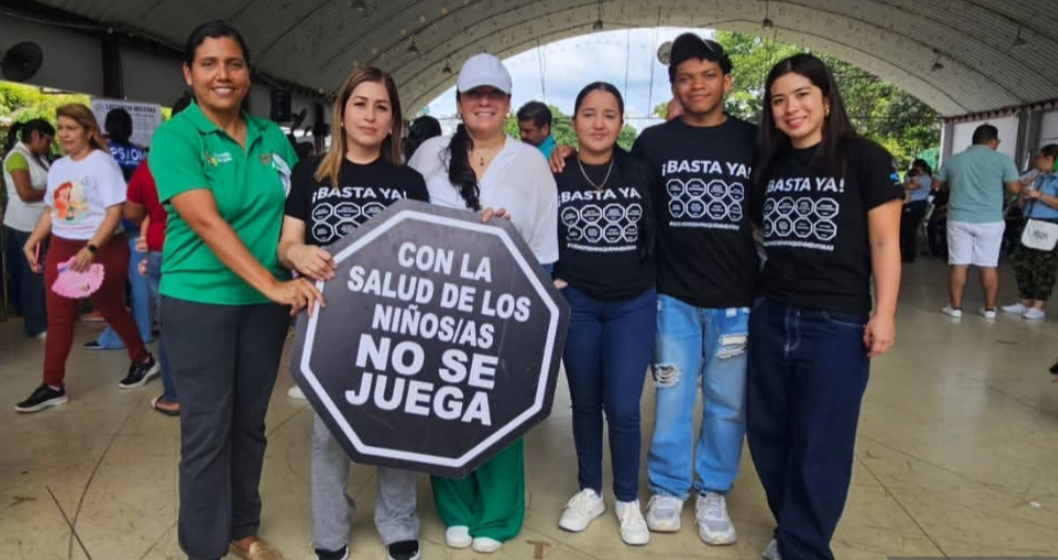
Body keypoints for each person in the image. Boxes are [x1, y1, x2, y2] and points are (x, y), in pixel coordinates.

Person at [551, 33, 759, 546]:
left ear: (726, 81)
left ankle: (710, 492)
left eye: (708, 75)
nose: (697, 85)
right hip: (670, 297)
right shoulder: (653, 147)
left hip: (728, 299)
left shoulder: (756, 140)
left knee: (724, 403)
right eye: (686, 77)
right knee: (667, 399)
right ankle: (662, 488)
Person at [148, 20, 320, 560]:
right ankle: (203, 545)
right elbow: (204, 221)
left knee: (250, 424)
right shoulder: (177, 137)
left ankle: (243, 529)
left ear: (248, 74)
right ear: (189, 74)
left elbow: (303, 212)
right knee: (207, 427)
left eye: (234, 64)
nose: (223, 75)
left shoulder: (273, 139)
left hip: (263, 310)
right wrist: (272, 283)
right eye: (209, 64)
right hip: (200, 302)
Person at [748, 53, 903, 560]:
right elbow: (757, 232)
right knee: (768, 434)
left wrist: (884, 314)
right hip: (772, 315)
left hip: (836, 323)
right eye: (779, 100)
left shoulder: (866, 159)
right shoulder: (769, 162)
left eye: (801, 95)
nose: (791, 108)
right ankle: (794, 529)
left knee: (822, 443)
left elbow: (885, 244)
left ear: (826, 99)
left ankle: (803, 548)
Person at [408, 53, 558, 555]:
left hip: (504, 305)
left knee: (499, 406)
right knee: (442, 404)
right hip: (436, 304)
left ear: (509, 104)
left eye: (494, 94)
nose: (485, 102)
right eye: (475, 94)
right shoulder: (429, 153)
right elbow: (405, 224)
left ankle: (497, 512)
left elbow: (543, 249)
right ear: (460, 102)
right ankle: (455, 506)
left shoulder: (531, 163)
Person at [279, 66, 429, 560]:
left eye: (381, 107)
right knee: (329, 433)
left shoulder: (409, 180)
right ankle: (330, 528)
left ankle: (398, 520)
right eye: (360, 103)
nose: (369, 115)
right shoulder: (311, 173)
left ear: (394, 122)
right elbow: (287, 245)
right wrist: (298, 258)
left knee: (397, 424)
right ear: (341, 113)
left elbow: (430, 255)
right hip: (328, 322)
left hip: (394, 324)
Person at [551, 82, 656, 545]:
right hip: (580, 304)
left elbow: (659, 232)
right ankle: (589, 490)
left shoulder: (639, 170)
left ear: (621, 122)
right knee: (585, 403)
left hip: (632, 303)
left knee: (625, 407)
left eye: (609, 114)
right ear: (573, 123)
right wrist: (550, 276)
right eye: (589, 114)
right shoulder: (557, 172)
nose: (599, 123)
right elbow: (538, 231)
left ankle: (628, 498)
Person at [14, 104, 159, 413]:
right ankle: (53, 385)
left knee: (111, 309)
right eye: (61, 128)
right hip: (63, 247)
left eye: (71, 128)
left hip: (102, 246)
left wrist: (91, 248)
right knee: (59, 316)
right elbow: (52, 210)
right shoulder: (58, 167)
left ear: (89, 131)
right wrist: (32, 241)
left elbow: (114, 212)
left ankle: (143, 359)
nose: (64, 135)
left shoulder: (102, 164)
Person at [127, 94, 194, 416]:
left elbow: (132, 208)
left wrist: (149, 226)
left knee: (170, 328)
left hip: (161, 252)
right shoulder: (222, 159)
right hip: (209, 255)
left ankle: (174, 395)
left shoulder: (153, 162)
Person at [932, 124, 1021, 319]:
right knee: (988, 265)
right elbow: (1015, 189)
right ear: (992, 141)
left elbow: (936, 184)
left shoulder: (954, 160)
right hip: (990, 220)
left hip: (959, 218)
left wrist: (953, 183)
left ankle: (955, 308)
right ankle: (990, 309)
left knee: (959, 264)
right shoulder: (1004, 160)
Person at [85, 108, 153, 349]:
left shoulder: (101, 153)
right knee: (140, 281)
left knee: (111, 284)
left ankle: (116, 335)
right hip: (137, 223)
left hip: (108, 227)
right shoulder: (139, 154)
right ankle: (144, 331)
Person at [3, 118, 54, 338]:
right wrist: (53, 191)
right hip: (25, 223)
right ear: (35, 136)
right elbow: (25, 193)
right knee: (33, 274)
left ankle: (44, 317)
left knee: (42, 272)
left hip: (42, 220)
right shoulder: (17, 157)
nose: (49, 146)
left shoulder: (38, 157)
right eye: (47, 141)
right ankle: (35, 325)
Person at [1002, 144, 1058, 320]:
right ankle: (1025, 300)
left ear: (1050, 159)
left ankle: (1039, 305)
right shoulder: (1041, 176)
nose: (1036, 160)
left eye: (1039, 157)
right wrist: (1024, 198)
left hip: (1050, 225)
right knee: (1023, 261)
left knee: (1044, 266)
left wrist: (1039, 196)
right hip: (1031, 222)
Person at [900, 158, 932, 262]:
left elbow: (909, 186)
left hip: (917, 205)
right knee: (904, 229)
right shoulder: (913, 176)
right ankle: (904, 252)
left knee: (909, 230)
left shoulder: (926, 179)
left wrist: (910, 179)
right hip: (909, 203)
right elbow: (902, 184)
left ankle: (909, 255)